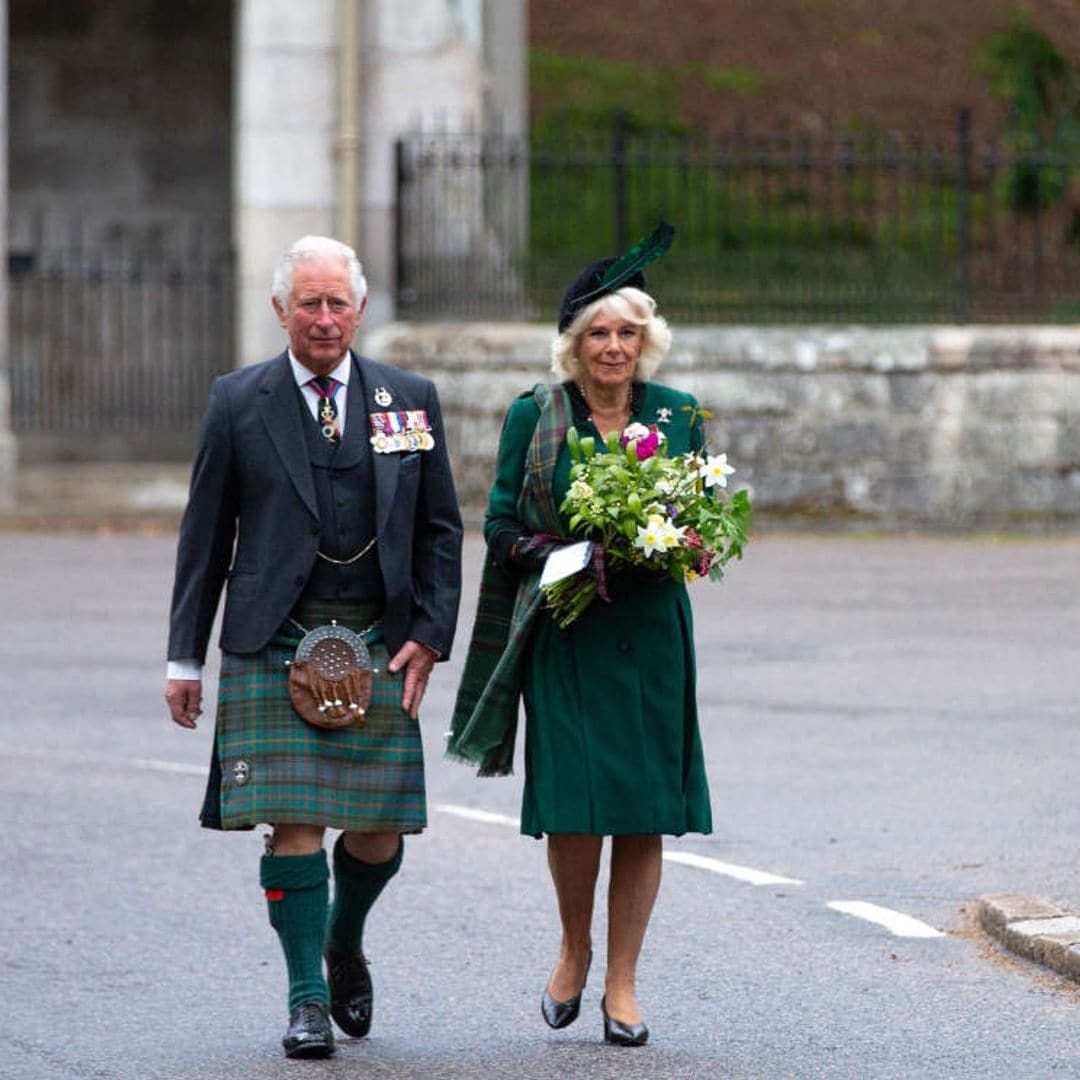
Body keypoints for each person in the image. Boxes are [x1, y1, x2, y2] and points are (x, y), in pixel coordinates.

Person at [165, 235, 462, 1059]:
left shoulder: (409, 399)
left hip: (377, 637)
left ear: (360, 310)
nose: (324, 319)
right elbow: (204, 538)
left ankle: (343, 940)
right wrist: (184, 658)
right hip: (272, 634)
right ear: (280, 311)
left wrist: (430, 637)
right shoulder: (238, 401)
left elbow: (441, 529)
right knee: (294, 824)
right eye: (308, 304)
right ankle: (305, 1002)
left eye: (338, 304)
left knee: (377, 833)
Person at [449, 225, 712, 1048]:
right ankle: (574, 946)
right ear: (574, 344)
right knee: (573, 812)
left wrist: (683, 537)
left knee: (642, 813)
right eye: (597, 332)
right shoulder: (537, 415)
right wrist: (572, 551)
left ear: (647, 341)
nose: (613, 346)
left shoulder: (679, 417)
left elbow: (701, 518)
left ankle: (624, 984)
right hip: (566, 630)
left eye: (627, 332)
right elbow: (496, 526)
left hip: (651, 634)